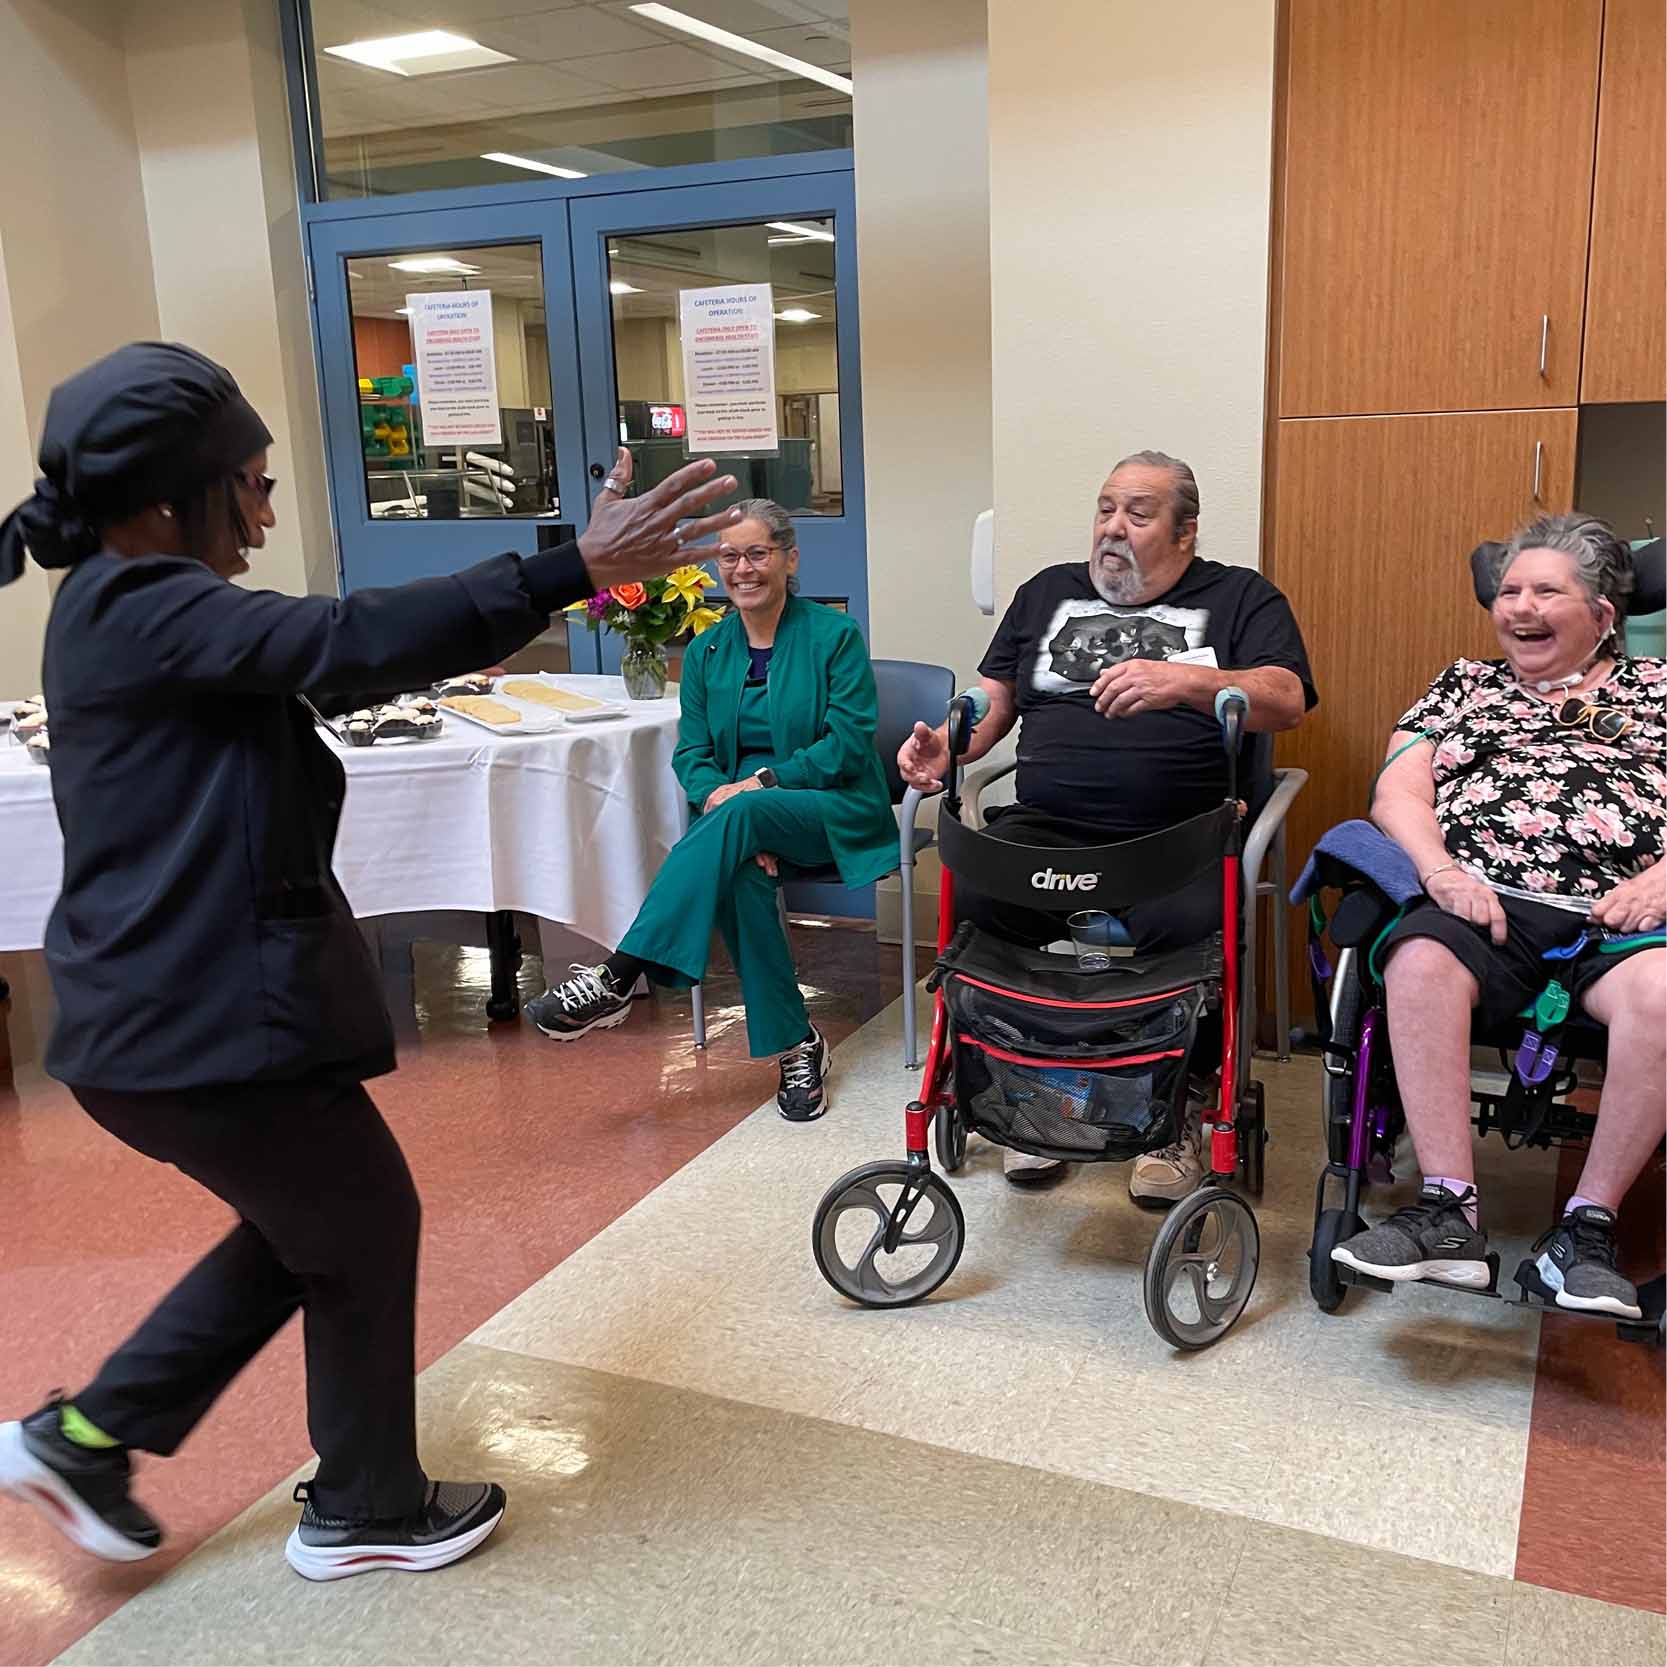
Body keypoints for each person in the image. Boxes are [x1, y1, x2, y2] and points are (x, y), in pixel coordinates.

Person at [0, 341, 742, 1579]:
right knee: (353, 1216)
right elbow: (338, 639)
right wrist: (572, 567)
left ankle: (97, 1436)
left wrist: (467, 623)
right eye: (250, 481)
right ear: (167, 497)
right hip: (195, 1017)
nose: (266, 509)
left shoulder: (115, 604)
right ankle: (361, 1507)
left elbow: (313, 663)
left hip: (167, 1013)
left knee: (320, 1221)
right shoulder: (144, 602)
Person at [898, 451, 1317, 1190]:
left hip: (1179, 836)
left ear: (1184, 532)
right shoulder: (1043, 594)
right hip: (1048, 828)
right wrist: (945, 743)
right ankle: (1027, 1095)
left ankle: (1181, 1116)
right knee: (976, 897)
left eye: (1137, 512)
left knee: (1200, 930)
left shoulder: (1241, 598)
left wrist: (1187, 679)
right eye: (1104, 509)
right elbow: (992, 707)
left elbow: (1283, 695)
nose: (1112, 528)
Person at [1331, 514, 1664, 1321]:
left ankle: (1584, 1233)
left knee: (1663, 996)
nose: (1518, 606)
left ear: (1602, 613)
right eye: (1508, 590)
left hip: (1622, 919)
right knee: (1413, 959)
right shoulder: (1462, 685)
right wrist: (1440, 872)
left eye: (1545, 590)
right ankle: (1447, 1212)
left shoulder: (1656, 690)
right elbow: (1397, 792)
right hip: (1479, 903)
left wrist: (1662, 883)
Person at [524, 500, 897, 1121]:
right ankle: (798, 1045)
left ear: (789, 559)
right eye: (729, 556)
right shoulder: (706, 652)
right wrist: (731, 800)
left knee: (736, 820)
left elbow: (848, 744)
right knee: (742, 874)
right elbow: (692, 754)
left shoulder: (835, 637)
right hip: (743, 822)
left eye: (757, 553)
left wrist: (762, 785)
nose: (742, 568)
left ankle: (619, 973)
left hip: (832, 809)